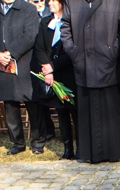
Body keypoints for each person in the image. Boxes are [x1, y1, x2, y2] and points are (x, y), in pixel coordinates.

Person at [61, 0, 120, 163]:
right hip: (83, 62)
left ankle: (112, 152)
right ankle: (89, 153)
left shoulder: (116, 1)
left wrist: (113, 50)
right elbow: (65, 27)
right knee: (87, 111)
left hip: (108, 62)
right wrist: (73, 50)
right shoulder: (72, 2)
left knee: (109, 109)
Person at [0, 0, 46, 155]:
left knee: (32, 103)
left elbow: (30, 35)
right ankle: (17, 142)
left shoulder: (28, 8)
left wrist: (10, 53)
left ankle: (38, 141)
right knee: (9, 103)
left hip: (25, 62)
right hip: (1, 63)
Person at [35, 0, 78, 159]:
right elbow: (39, 47)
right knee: (61, 113)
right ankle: (68, 149)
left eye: (53, 0)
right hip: (52, 75)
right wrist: (47, 69)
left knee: (75, 112)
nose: (50, 4)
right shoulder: (45, 22)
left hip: (69, 73)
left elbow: (72, 50)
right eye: (49, 1)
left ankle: (80, 147)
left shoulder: (71, 21)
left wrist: (53, 66)